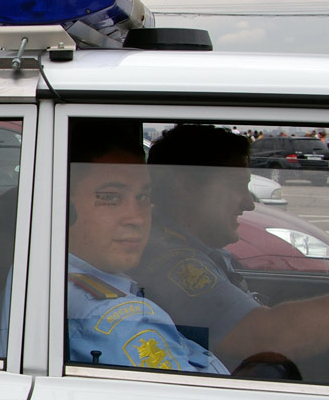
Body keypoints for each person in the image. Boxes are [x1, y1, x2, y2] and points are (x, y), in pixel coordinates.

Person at [131, 124, 320, 369]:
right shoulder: (171, 262)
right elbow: (265, 339)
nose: (248, 204)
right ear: (186, 186)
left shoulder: (192, 249)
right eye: (237, 186)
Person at [65, 130, 228, 374]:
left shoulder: (41, 272)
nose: (137, 218)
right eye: (110, 198)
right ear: (63, 206)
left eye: (143, 197)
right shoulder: (116, 318)